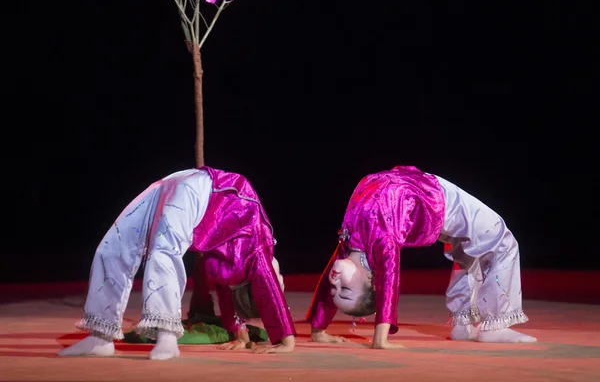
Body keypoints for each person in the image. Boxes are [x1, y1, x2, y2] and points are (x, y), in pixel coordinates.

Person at [58, 167, 295, 360]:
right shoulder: (259, 250)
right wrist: (286, 341)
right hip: (198, 187)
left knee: (162, 250)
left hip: (184, 187)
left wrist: (239, 334)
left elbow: (227, 292)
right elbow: (270, 291)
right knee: (114, 246)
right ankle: (101, 337)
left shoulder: (232, 274)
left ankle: (167, 338)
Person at [307, 165, 536, 349]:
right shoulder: (381, 243)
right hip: (437, 200)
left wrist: (319, 329)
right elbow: (389, 282)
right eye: (345, 290)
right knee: (502, 239)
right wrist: (380, 338)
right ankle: (495, 325)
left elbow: (330, 282)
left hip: (424, 196)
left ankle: (462, 322)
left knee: (468, 247)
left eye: (335, 289)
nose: (335, 282)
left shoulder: (348, 244)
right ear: (370, 280)